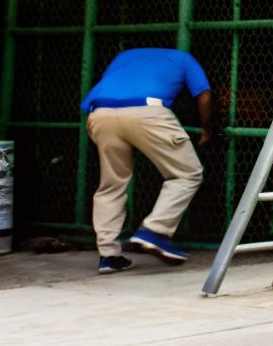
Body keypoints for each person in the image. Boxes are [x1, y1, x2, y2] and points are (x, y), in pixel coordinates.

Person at [81, 48, 214, 273]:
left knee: (111, 184)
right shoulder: (183, 58)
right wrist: (207, 130)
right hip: (148, 110)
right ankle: (155, 230)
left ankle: (109, 255)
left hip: (101, 112)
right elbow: (204, 95)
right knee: (187, 173)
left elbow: (111, 86)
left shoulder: (124, 56)